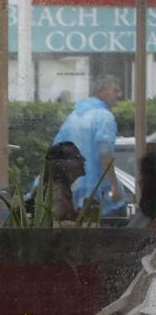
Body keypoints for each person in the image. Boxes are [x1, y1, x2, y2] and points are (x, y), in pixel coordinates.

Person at [52, 76, 125, 217]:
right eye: (115, 90)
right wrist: (114, 185)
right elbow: (105, 152)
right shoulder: (104, 116)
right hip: (96, 189)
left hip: (71, 189)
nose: (118, 95)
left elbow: (56, 151)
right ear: (102, 91)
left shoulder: (74, 116)